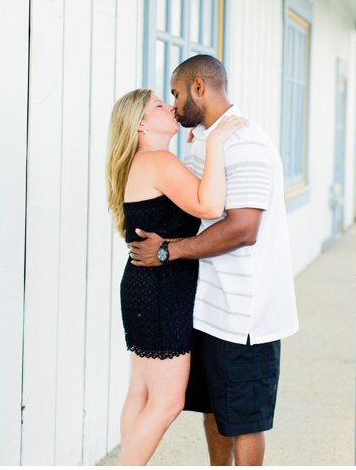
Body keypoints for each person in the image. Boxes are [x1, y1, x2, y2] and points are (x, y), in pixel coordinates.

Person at [127, 54, 299, 466]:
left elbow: (243, 228)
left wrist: (168, 250)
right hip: (206, 309)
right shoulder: (199, 140)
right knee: (214, 413)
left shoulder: (246, 142)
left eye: (175, 92)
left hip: (245, 317)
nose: (172, 102)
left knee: (243, 421)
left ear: (198, 88)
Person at [106, 88, 247, 465]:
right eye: (158, 104)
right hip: (160, 291)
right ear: (140, 124)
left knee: (141, 392)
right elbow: (211, 204)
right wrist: (215, 140)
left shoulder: (144, 161)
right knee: (167, 402)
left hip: (144, 286)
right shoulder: (158, 162)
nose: (170, 106)